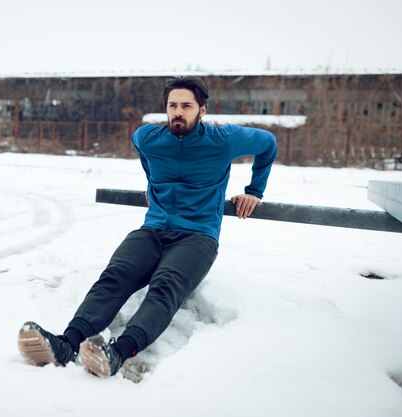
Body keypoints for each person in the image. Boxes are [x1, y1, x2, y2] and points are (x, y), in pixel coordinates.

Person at [17, 75, 278, 378]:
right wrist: (153, 182)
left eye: (186, 106)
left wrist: (254, 191)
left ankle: (117, 353)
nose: (178, 112)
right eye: (173, 105)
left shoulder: (224, 139)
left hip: (197, 236)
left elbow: (268, 144)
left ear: (202, 110)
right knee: (115, 277)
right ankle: (66, 344)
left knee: (164, 287)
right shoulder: (148, 137)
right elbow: (145, 156)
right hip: (153, 229)